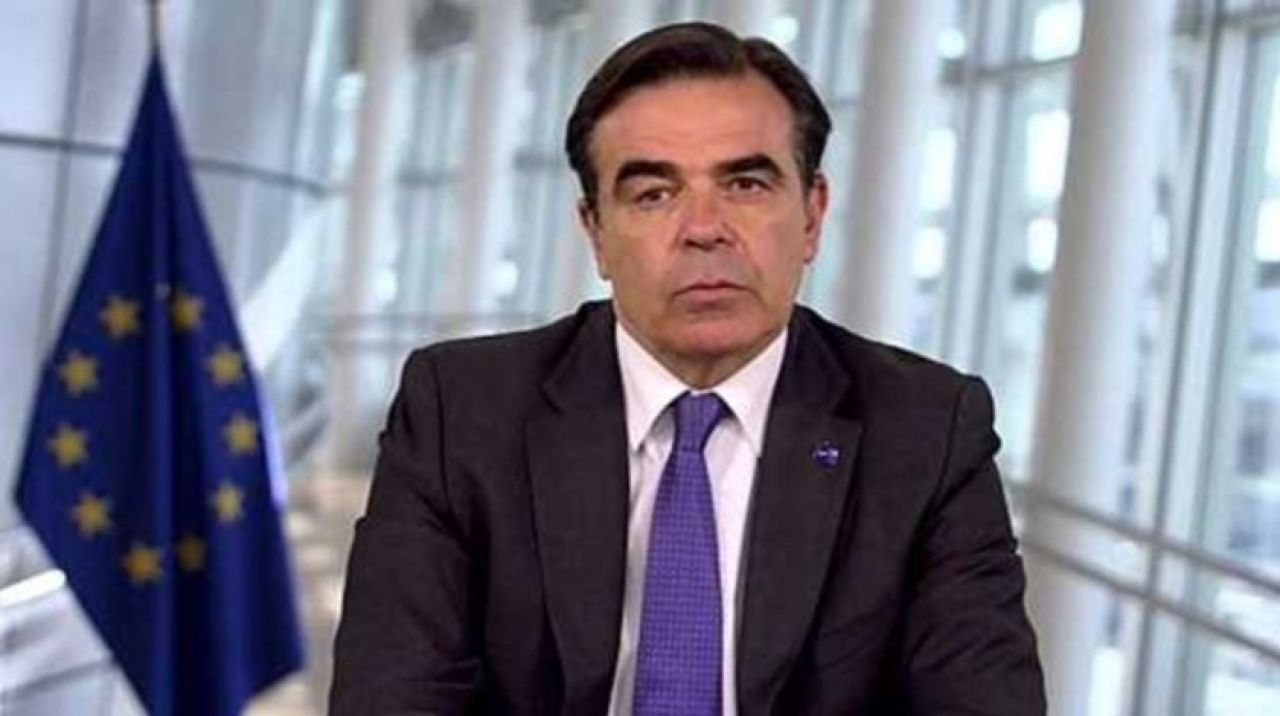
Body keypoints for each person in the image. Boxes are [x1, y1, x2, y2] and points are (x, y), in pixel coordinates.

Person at [330, 21, 1045, 715]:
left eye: (747, 185)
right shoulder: (461, 413)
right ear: (596, 232)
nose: (704, 229)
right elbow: (394, 695)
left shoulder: (926, 431)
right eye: (654, 194)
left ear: (812, 214)